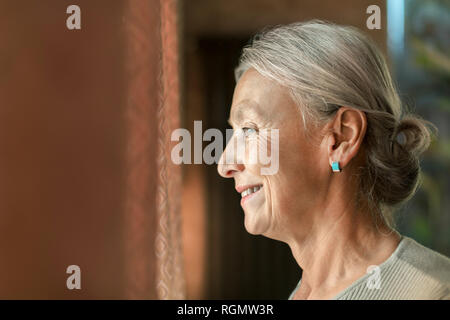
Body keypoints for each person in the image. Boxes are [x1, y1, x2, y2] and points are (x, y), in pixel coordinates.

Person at [217, 20, 450, 300]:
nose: (225, 164)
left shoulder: (433, 291)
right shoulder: (306, 293)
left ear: (341, 138)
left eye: (250, 130)